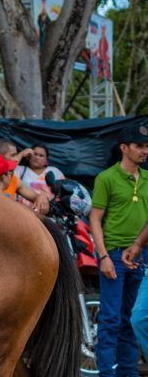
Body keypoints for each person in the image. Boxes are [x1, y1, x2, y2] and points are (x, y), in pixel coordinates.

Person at [91, 124, 148, 376]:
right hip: (112, 253)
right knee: (111, 320)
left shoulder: (147, 178)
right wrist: (103, 256)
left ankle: (129, 372)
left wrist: (137, 245)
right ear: (124, 148)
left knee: (128, 320)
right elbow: (95, 219)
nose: (144, 151)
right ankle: (106, 373)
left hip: (139, 255)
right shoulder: (106, 178)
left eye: (146, 146)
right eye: (139, 146)